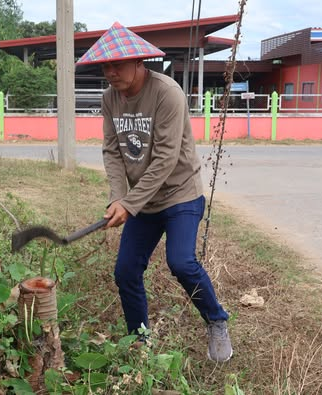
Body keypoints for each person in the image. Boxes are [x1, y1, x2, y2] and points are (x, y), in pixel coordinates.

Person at [76, 22, 233, 362]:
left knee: (181, 261)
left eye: (118, 65)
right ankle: (139, 340)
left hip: (180, 194)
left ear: (139, 63)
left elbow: (165, 159)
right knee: (126, 271)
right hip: (142, 202)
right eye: (106, 66)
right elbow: (112, 151)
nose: (111, 72)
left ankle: (217, 320)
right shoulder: (109, 99)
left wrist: (129, 204)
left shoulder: (167, 93)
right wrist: (118, 197)